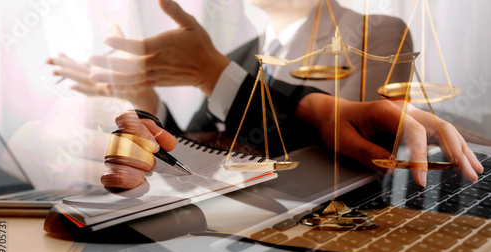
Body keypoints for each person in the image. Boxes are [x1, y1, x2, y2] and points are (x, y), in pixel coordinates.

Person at [46, 0, 482, 189]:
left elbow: (342, 161)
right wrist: (144, 95)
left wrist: (213, 75)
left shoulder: (378, 33)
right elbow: (196, 156)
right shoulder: (238, 56)